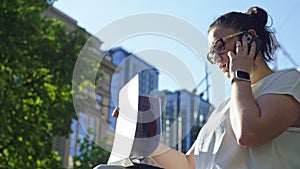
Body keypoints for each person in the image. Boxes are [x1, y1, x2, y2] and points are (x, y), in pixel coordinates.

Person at [112, 6, 300, 169]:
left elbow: (249, 133)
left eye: (220, 46)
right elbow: (188, 164)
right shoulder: (224, 107)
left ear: (249, 38)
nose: (217, 58)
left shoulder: (289, 81)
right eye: (212, 53)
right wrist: (141, 133)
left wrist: (240, 74)